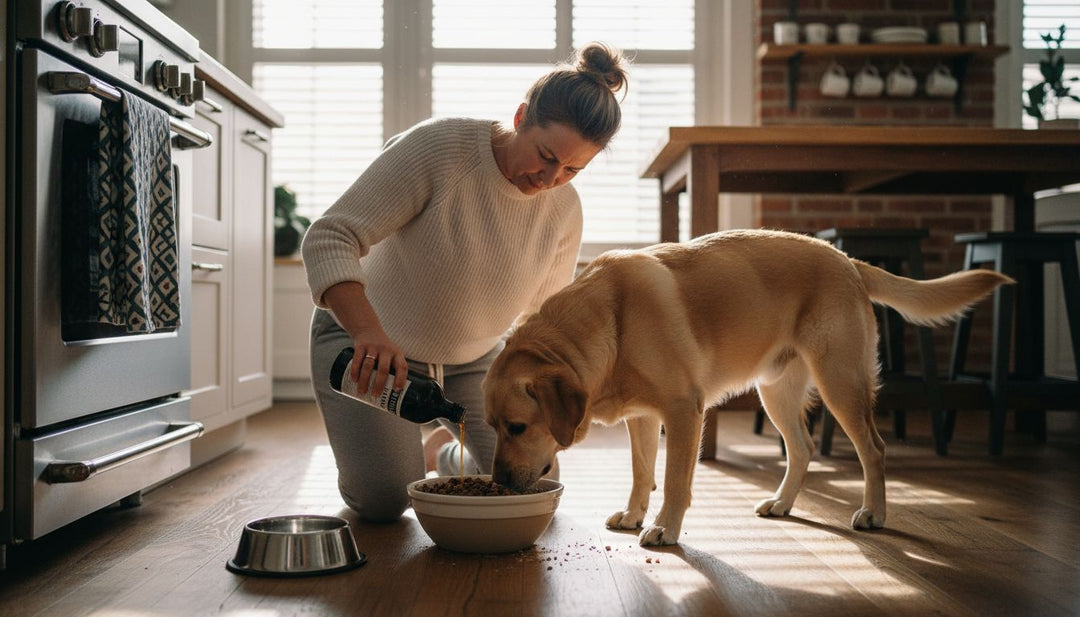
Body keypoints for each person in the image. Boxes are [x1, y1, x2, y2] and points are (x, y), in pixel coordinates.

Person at [302, 42, 628, 522]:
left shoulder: (564, 209)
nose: (550, 178)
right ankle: (398, 460)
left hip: (474, 364)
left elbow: (541, 320)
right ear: (521, 117)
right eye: (545, 155)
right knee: (386, 501)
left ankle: (447, 454)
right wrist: (367, 332)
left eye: (573, 169)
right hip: (368, 347)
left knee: (531, 484)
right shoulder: (441, 149)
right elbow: (329, 238)